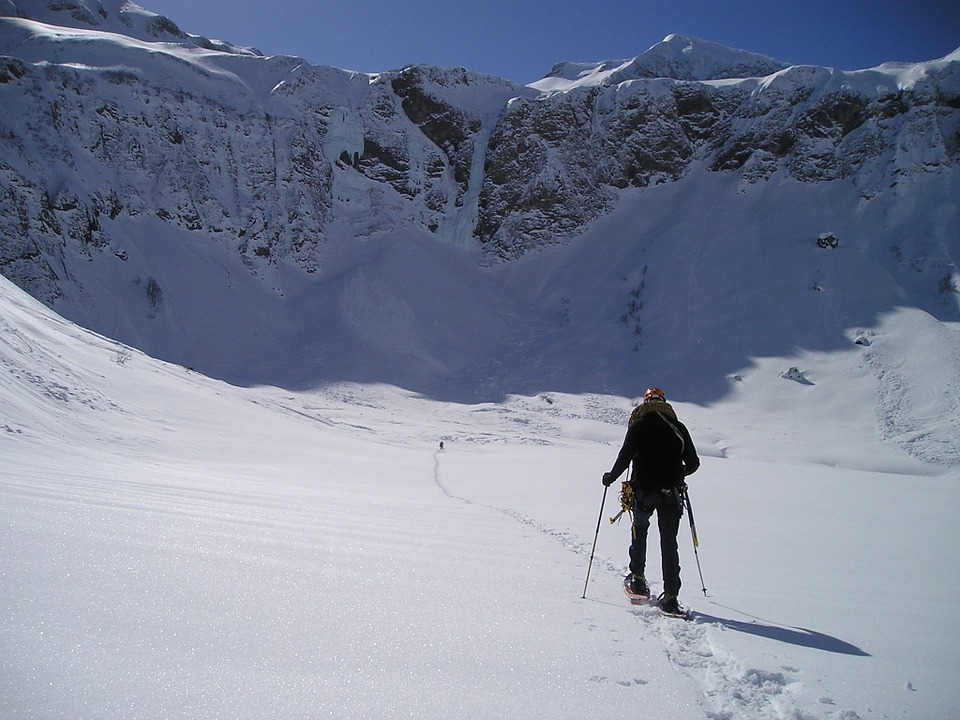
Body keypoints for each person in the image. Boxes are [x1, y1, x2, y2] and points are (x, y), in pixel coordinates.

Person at [603, 387, 700, 614]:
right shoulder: (678, 427)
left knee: (639, 530)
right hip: (671, 494)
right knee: (669, 542)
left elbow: (624, 457)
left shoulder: (638, 425)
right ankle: (671, 597)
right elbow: (693, 463)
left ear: (645, 403)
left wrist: (610, 478)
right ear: (665, 403)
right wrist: (677, 473)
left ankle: (637, 579)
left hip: (643, 492)